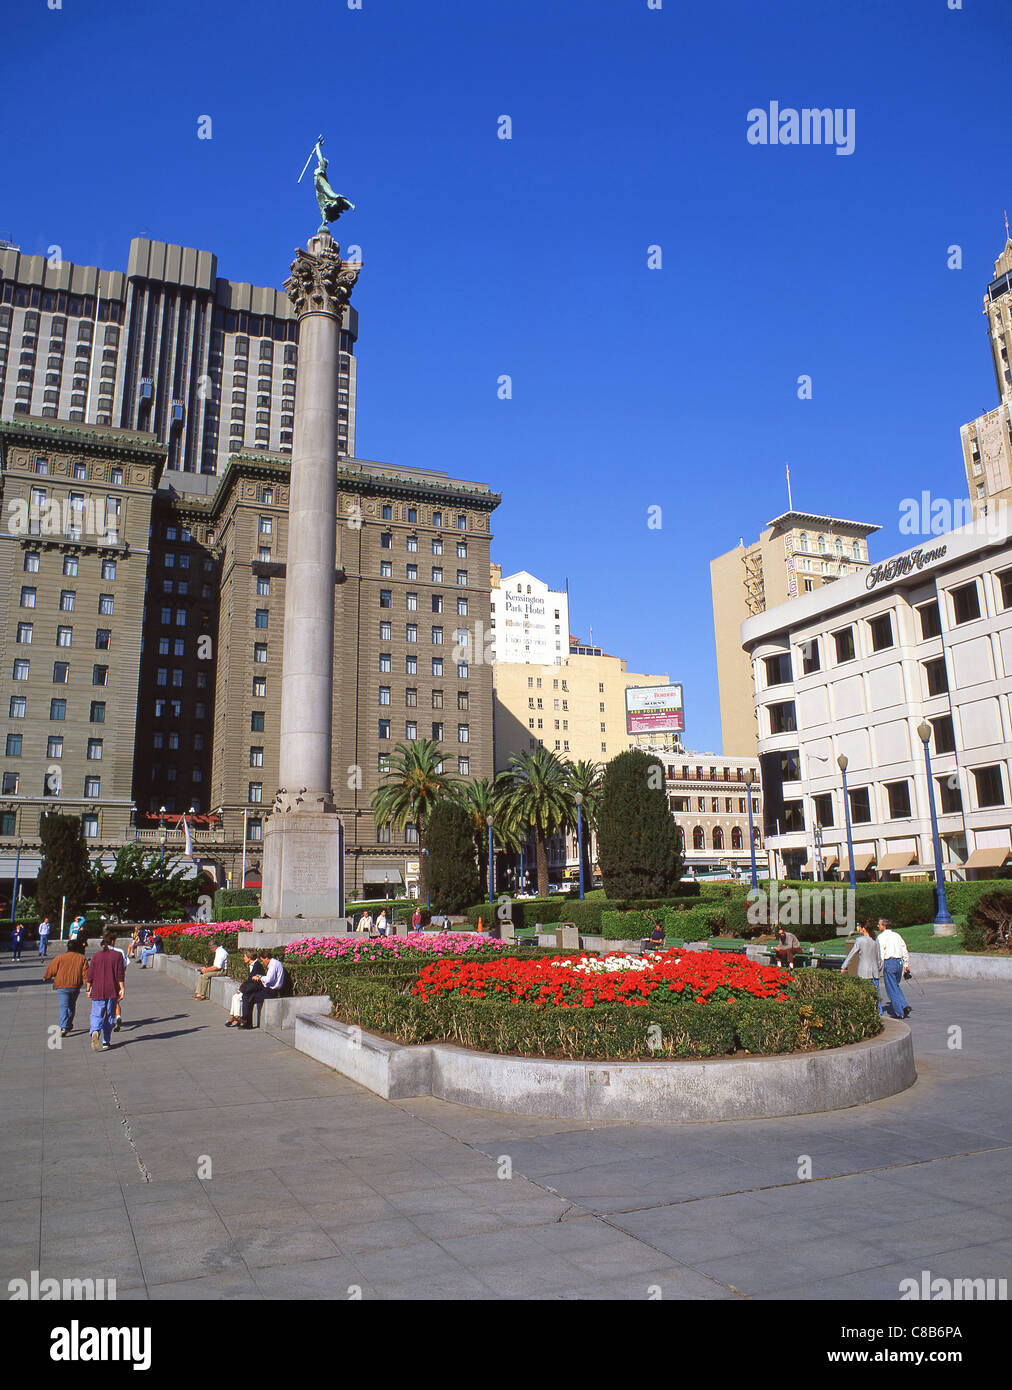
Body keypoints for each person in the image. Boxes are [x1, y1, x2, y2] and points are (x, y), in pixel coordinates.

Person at [86, 931, 125, 1051]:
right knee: (109, 1015)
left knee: (96, 1013)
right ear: (113, 942)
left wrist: (88, 988)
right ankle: (106, 1040)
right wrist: (122, 988)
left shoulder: (96, 956)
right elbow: (119, 974)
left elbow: (90, 974)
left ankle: (95, 1031)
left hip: (98, 989)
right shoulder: (117, 955)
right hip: (112, 989)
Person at [44, 938, 89, 1036]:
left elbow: (52, 969)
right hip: (75, 985)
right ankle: (67, 1024)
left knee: (64, 1005)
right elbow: (85, 974)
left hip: (62, 985)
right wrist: (88, 985)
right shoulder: (82, 958)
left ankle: (64, 1027)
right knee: (71, 1005)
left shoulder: (59, 957)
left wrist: (46, 977)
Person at [237, 951, 286, 1029]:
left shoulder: (273, 965)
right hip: (268, 989)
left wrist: (259, 978)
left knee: (249, 997)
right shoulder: (274, 963)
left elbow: (269, 979)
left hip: (272, 991)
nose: (262, 963)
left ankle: (246, 1020)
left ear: (266, 958)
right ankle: (246, 1021)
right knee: (247, 995)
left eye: (262, 960)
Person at [841, 921, 883, 1013]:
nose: (858, 929)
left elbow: (851, 955)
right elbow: (879, 957)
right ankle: (879, 1011)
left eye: (859, 927)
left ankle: (865, 1011)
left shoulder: (860, 940)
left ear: (863, 929)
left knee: (863, 991)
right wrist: (879, 967)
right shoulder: (875, 940)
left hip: (863, 971)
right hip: (874, 970)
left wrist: (844, 966)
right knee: (876, 992)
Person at [877, 918, 912, 1019]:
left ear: (884, 926)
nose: (877, 926)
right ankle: (904, 1005)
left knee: (891, 988)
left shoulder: (881, 937)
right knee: (895, 986)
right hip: (899, 963)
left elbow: (881, 953)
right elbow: (904, 949)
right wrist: (906, 964)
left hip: (890, 962)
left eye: (879, 924)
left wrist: (879, 967)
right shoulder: (897, 935)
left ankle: (899, 1012)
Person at [225, 950, 267, 1027]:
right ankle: (233, 1017)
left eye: (244, 956)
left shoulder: (257, 966)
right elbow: (249, 981)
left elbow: (255, 983)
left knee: (237, 998)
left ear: (249, 957)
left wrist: (242, 990)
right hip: (251, 989)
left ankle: (237, 1018)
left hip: (256, 990)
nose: (243, 958)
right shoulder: (253, 965)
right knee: (235, 997)